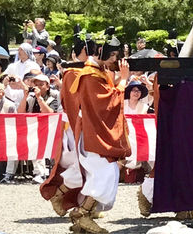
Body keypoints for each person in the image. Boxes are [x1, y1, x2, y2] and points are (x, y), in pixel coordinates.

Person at [41, 27, 131, 234]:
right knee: (105, 174)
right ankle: (82, 213)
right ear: (101, 52)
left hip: (94, 132)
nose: (115, 60)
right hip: (93, 134)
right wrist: (124, 80)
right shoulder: (89, 74)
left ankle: (82, 218)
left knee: (98, 175)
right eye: (114, 55)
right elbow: (106, 104)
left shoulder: (95, 72)